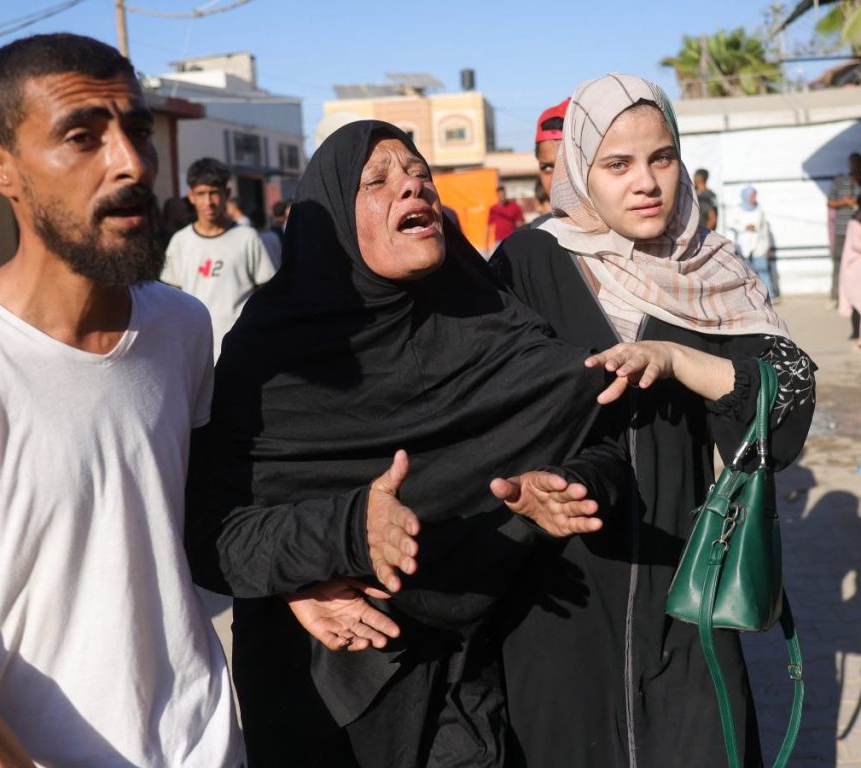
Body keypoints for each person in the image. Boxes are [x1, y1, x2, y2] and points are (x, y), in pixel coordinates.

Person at [0, 33, 242, 766]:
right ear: (0, 167)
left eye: (137, 131)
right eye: (82, 137)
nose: (131, 162)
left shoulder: (183, 327)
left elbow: (205, 523)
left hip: (208, 743)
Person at [186, 120, 631, 767]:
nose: (412, 186)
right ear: (335, 217)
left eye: (420, 173)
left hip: (471, 665)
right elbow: (211, 531)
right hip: (331, 688)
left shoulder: (488, 318)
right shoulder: (273, 355)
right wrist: (339, 536)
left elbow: (599, 430)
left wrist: (570, 488)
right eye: (379, 180)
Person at [490, 74, 815, 768]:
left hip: (688, 586)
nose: (647, 182)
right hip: (563, 589)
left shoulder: (711, 267)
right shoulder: (530, 262)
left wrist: (677, 358)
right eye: (618, 164)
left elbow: (787, 401)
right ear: (581, 170)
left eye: (661, 157)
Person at [160, 158, 274, 360]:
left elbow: (267, 293)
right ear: (191, 196)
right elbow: (169, 297)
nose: (209, 201)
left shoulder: (247, 237)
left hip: (241, 350)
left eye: (214, 193)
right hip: (194, 351)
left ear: (227, 194)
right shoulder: (180, 241)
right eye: (201, 194)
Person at [727, 185, 776, 300]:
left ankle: (769, 296)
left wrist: (767, 246)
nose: (754, 197)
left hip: (759, 245)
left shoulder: (759, 209)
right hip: (743, 246)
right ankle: (749, 297)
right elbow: (731, 224)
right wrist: (744, 227)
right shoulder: (737, 210)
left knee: (763, 270)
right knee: (745, 272)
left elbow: (764, 229)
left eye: (755, 195)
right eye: (752, 195)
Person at [529, 97, 570, 229]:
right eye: (547, 167)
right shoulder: (524, 244)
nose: (556, 180)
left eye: (567, 166)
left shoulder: (628, 236)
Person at [829, 152, 861, 301]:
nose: (855, 166)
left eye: (857, 163)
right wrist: (845, 202)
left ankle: (854, 298)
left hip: (858, 232)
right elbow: (830, 202)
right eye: (852, 163)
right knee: (839, 264)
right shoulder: (840, 181)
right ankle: (836, 297)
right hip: (842, 231)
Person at [838, 208, 861, 347]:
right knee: (856, 303)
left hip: (856, 269)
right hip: (853, 269)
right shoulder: (854, 223)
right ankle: (856, 333)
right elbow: (857, 244)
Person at [485, 185, 525, 252]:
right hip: (499, 241)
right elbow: (488, 226)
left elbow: (521, 223)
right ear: (497, 196)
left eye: (503, 195)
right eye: (500, 196)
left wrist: (522, 239)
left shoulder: (514, 206)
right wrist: (486, 243)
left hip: (512, 240)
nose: (502, 198)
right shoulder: (493, 209)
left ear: (505, 194)